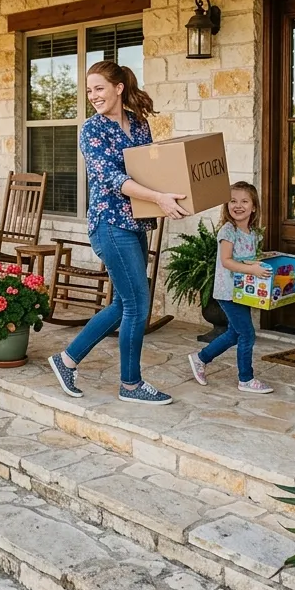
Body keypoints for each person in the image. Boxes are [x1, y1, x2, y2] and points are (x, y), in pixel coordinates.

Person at [47, 61, 188, 405]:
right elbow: (112, 178)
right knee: (138, 305)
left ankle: (66, 360)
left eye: (99, 88)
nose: (93, 95)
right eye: (89, 90)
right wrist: (158, 198)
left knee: (124, 303)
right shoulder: (91, 130)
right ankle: (130, 384)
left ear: (118, 88)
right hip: (109, 224)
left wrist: (175, 195)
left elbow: (150, 169)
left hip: (136, 223)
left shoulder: (139, 125)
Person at [187, 182, 275, 394]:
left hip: (243, 291)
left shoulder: (253, 233)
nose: (238, 205)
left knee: (235, 333)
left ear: (254, 207)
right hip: (229, 292)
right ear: (226, 205)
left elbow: (247, 259)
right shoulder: (229, 231)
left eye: (244, 201)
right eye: (233, 201)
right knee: (247, 334)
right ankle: (246, 378)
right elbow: (227, 261)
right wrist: (252, 269)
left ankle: (200, 358)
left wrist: (261, 263)